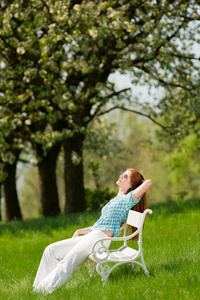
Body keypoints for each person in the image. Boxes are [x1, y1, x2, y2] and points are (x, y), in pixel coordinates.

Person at [33, 169, 152, 293]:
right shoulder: (115, 199)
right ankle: (37, 287)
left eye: (125, 176)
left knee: (69, 261)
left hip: (100, 239)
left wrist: (140, 181)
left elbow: (148, 183)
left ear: (131, 185)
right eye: (122, 174)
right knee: (51, 250)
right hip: (93, 235)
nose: (121, 176)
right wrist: (80, 231)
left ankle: (43, 291)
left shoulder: (129, 198)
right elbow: (102, 223)